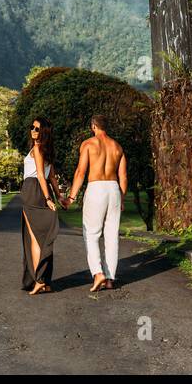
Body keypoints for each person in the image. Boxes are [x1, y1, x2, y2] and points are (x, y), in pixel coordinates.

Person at [66, 115, 126, 292]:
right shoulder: (117, 147)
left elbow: (80, 171)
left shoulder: (89, 144)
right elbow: (123, 176)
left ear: (93, 126)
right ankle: (109, 278)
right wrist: (121, 199)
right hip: (114, 189)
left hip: (96, 187)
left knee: (91, 234)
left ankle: (98, 273)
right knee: (111, 235)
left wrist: (71, 197)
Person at [20, 116, 62, 295]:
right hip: (40, 191)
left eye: (37, 129)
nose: (33, 130)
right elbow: (52, 177)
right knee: (41, 238)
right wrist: (59, 196)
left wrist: (48, 198)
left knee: (34, 238)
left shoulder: (38, 149)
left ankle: (39, 280)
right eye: (32, 127)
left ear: (43, 132)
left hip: (33, 191)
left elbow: (40, 175)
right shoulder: (46, 150)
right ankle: (45, 281)